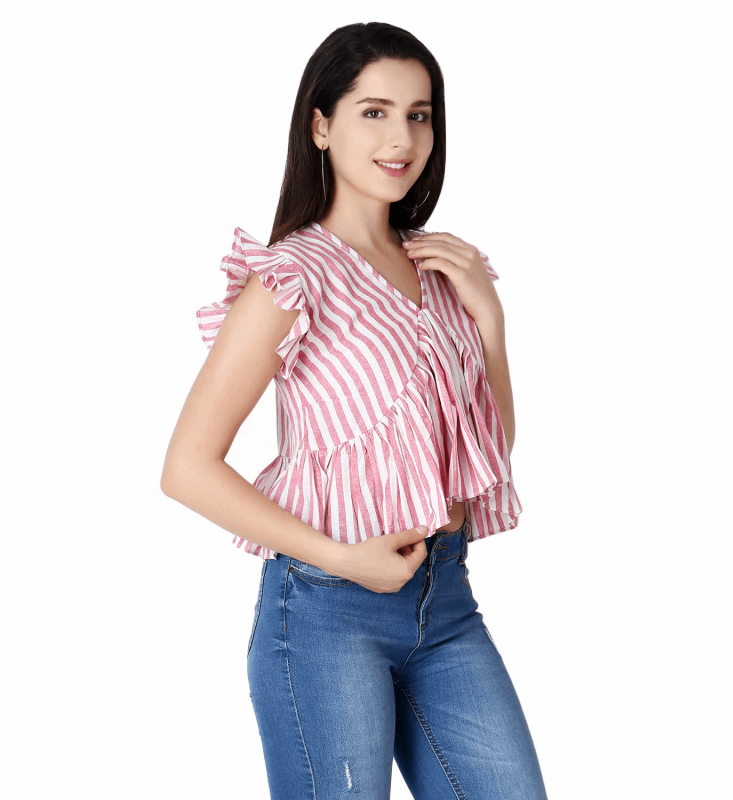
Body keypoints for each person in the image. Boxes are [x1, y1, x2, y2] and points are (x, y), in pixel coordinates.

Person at [161, 21, 548, 800]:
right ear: (321, 125)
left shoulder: (444, 268)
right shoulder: (292, 276)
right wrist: (342, 559)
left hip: (446, 602)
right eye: (374, 112)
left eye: (419, 114)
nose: (401, 137)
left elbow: (484, 451)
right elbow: (187, 469)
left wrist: (490, 321)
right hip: (325, 614)